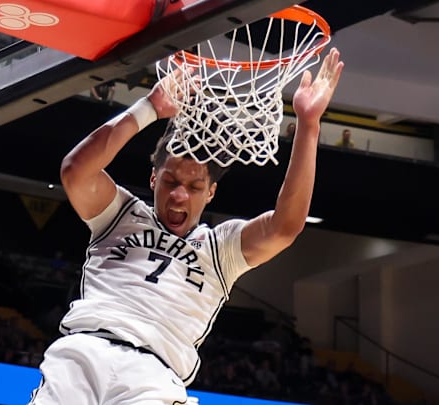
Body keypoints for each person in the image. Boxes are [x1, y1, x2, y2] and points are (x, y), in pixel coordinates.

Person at [29, 48, 344, 404]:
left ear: (210, 193)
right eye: (170, 182)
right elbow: (76, 170)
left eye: (193, 188)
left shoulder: (219, 247)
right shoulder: (119, 213)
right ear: (152, 179)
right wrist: (149, 107)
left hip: (153, 377)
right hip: (85, 351)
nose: (179, 195)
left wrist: (309, 125)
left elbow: (285, 227)